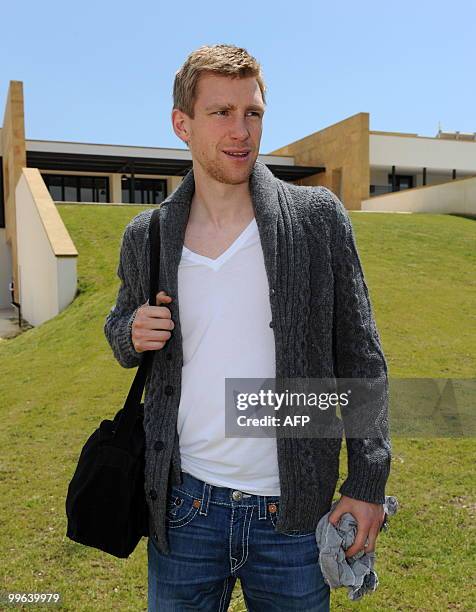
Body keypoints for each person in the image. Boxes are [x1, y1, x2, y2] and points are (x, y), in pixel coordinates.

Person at [104, 43, 391, 612]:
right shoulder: (149, 234)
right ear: (181, 124)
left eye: (252, 113)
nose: (241, 131)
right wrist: (131, 330)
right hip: (185, 511)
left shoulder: (316, 221)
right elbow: (120, 326)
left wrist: (367, 480)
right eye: (221, 113)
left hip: (293, 517)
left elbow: (361, 358)